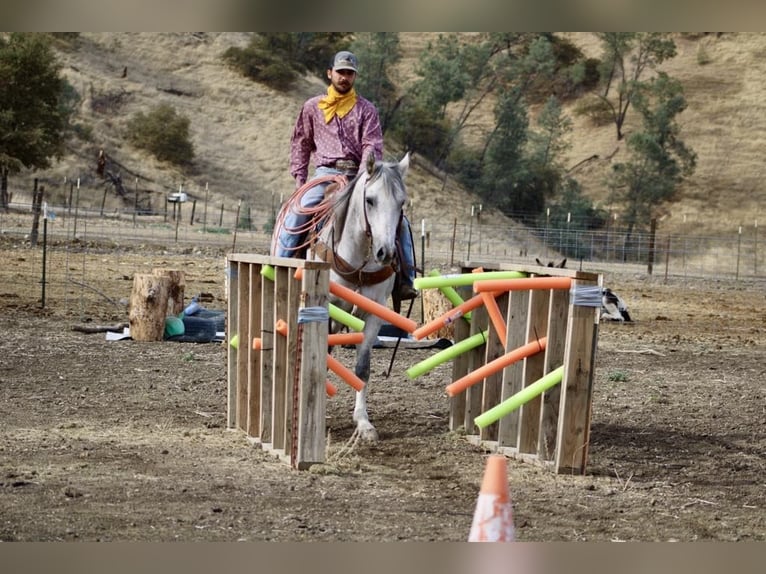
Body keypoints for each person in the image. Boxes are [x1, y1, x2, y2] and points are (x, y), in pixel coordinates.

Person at [274, 50, 418, 300]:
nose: (344, 78)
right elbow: (301, 143)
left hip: (358, 175)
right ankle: (279, 267)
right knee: (299, 210)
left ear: (355, 77)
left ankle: (406, 280)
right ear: (330, 73)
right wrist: (300, 180)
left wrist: (363, 178)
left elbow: (371, 145)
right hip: (325, 174)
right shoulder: (312, 107)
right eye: (340, 72)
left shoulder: (366, 110)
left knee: (401, 222)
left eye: (350, 74)